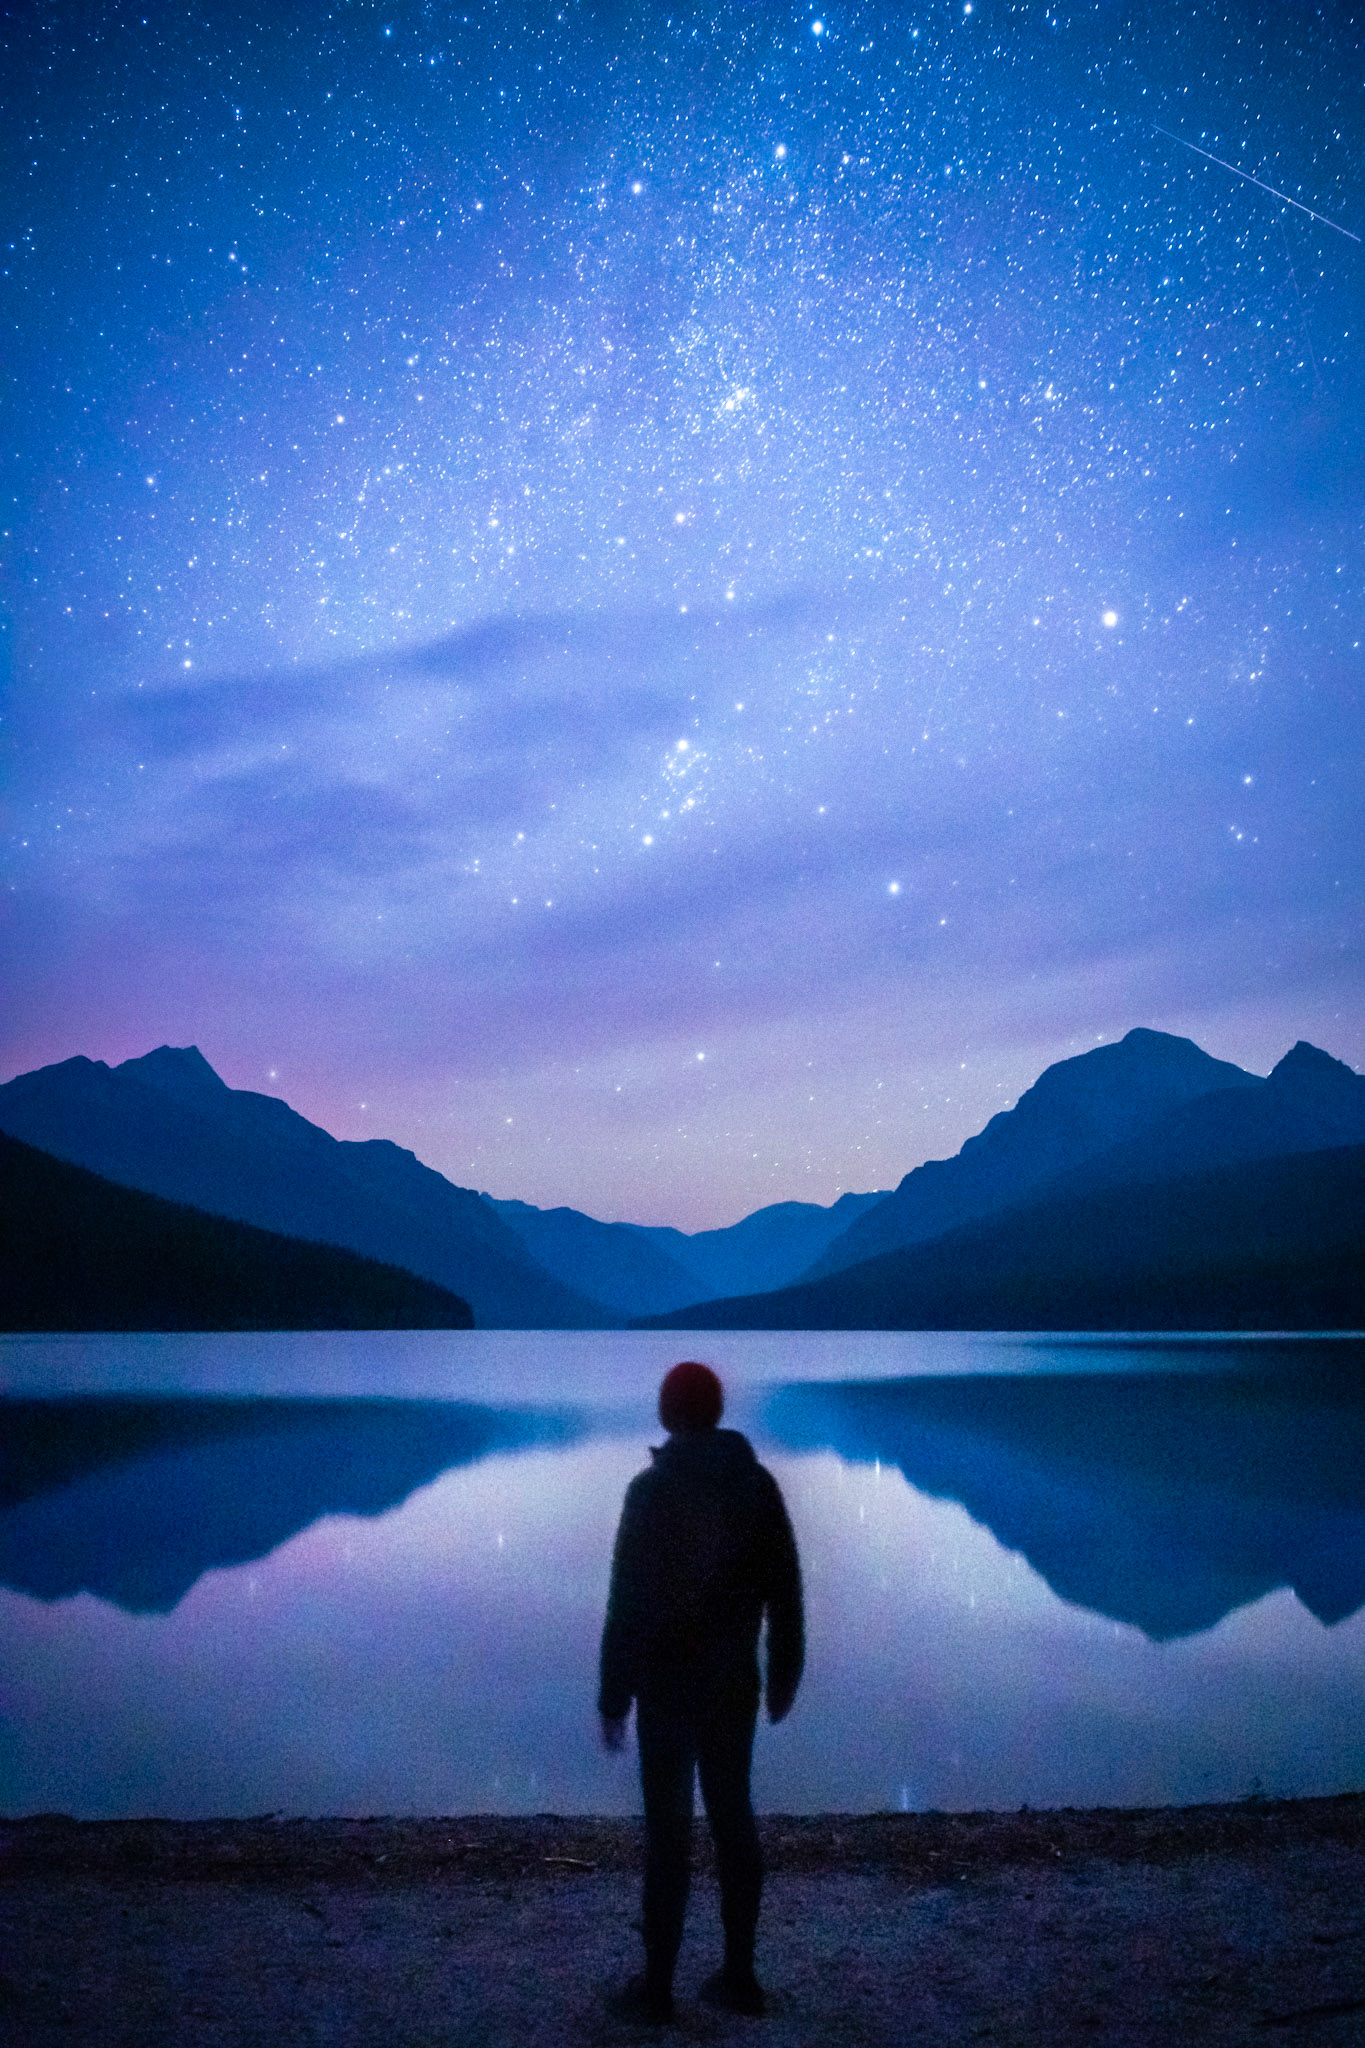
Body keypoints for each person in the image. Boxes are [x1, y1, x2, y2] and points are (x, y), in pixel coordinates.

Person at [599, 1360, 804, 2022]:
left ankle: (656, 1989)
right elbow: (785, 1590)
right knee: (732, 1819)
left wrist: (613, 1695)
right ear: (714, 1412)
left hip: (666, 1686)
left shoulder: (650, 1492)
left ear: (667, 1415)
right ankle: (739, 1977)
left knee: (668, 1835)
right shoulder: (756, 1484)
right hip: (733, 1682)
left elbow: (625, 1603)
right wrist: (783, 1674)